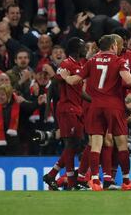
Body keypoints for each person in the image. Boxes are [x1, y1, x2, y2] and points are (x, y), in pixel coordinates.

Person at [60, 34, 131, 191]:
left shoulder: (92, 61)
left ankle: (95, 181)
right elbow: (129, 81)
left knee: (95, 144)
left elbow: (74, 81)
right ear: (113, 46)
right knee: (122, 144)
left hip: (95, 106)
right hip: (114, 106)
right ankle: (126, 180)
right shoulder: (119, 61)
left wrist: (65, 77)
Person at [43, 37, 87, 190]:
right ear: (76, 48)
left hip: (76, 109)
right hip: (67, 109)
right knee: (71, 144)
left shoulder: (79, 64)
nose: (86, 48)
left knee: (75, 145)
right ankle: (71, 182)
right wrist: (48, 107)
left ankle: (52, 174)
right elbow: (53, 84)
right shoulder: (66, 64)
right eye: (83, 46)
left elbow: (79, 91)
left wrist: (94, 100)